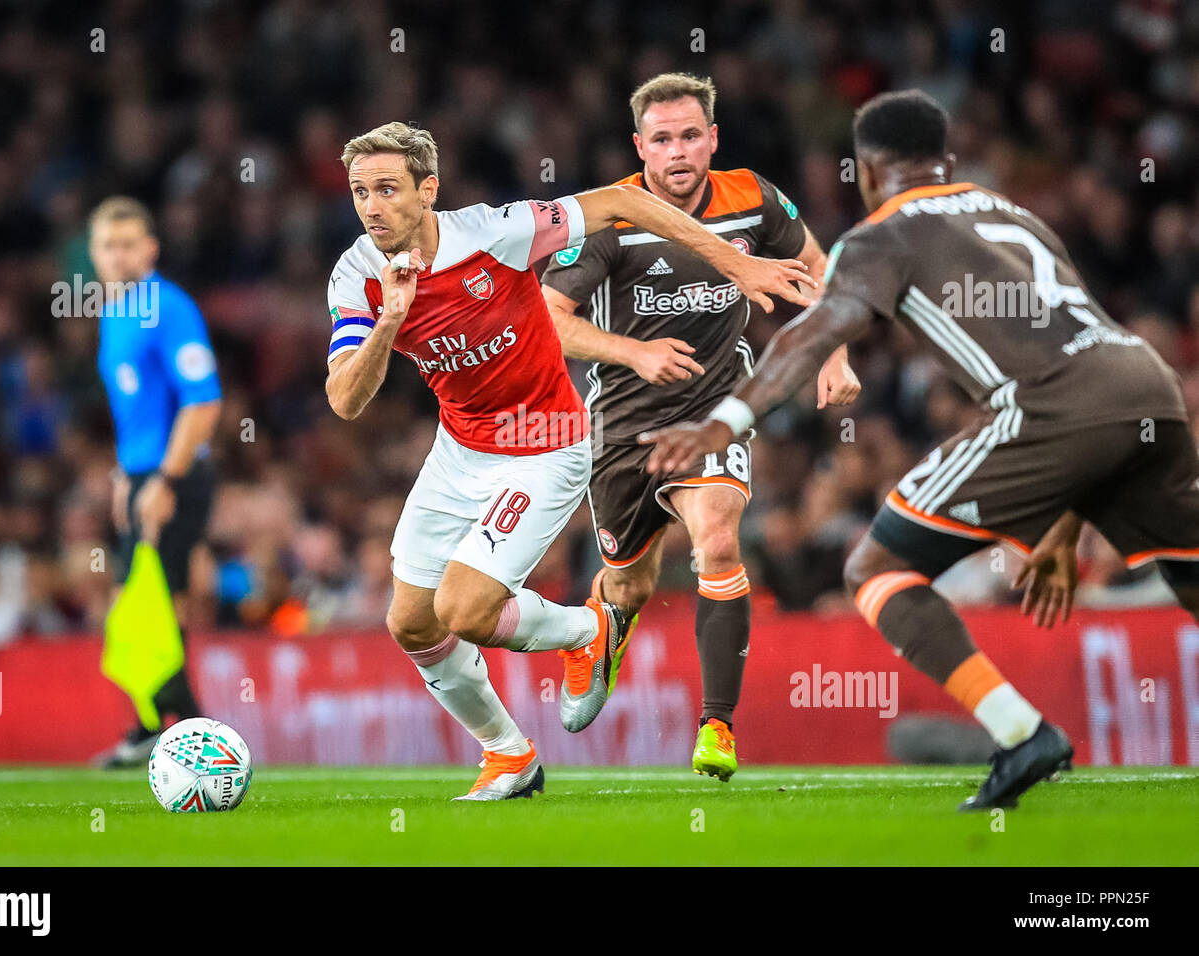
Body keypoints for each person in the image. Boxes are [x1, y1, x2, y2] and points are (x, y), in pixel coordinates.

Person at [641, 89, 1199, 810]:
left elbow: (815, 332)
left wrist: (722, 423)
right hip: (1144, 383)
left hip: (1050, 404)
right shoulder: (1010, 212)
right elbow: (1080, 343)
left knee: (876, 567)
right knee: (1190, 575)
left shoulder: (880, 234)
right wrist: (1061, 534)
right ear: (946, 160)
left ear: (867, 172)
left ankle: (1022, 733)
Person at [325, 122, 816, 799]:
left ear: (428, 189)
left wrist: (734, 261)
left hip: (546, 442)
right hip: (459, 451)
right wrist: (390, 320)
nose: (371, 207)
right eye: (359, 193)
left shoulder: (497, 233)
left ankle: (590, 631)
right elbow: (347, 399)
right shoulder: (357, 274)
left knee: (465, 610)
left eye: (387, 189)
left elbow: (621, 202)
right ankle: (509, 757)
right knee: (410, 622)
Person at [540, 72, 860, 780]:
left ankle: (717, 725)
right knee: (628, 583)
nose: (678, 152)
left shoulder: (751, 197)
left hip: (716, 411)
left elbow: (818, 266)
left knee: (717, 539)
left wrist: (833, 353)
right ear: (639, 147)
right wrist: (635, 353)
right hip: (623, 426)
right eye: (662, 140)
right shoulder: (611, 219)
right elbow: (548, 320)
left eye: (691, 136)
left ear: (713, 139)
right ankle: (604, 628)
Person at [88, 197, 223, 768]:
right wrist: (127, 474)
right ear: (94, 255)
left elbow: (204, 402)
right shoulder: (115, 313)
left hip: (178, 473)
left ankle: (188, 730)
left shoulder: (169, 308)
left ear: (150, 249)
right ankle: (162, 726)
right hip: (145, 472)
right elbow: (137, 411)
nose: (117, 256)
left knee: (145, 605)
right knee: (147, 605)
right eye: (107, 246)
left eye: (128, 245)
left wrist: (164, 480)